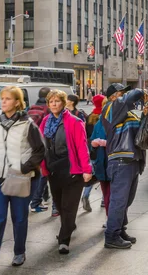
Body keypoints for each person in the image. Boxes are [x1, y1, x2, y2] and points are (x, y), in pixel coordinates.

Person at [0, 86, 45, 271]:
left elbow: (40, 150)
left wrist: (24, 167)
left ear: (17, 102)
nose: (3, 102)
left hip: (20, 178)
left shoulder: (28, 124)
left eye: (8, 99)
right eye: (2, 98)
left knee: (19, 218)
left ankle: (19, 252)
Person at [40, 90, 92, 255]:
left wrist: (87, 169)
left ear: (63, 103)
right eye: (51, 102)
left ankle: (64, 240)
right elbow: (40, 146)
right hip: (54, 170)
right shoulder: (45, 121)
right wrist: (42, 167)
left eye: (57, 101)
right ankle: (68, 226)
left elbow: (82, 147)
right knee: (61, 206)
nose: (54, 104)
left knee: (68, 207)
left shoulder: (74, 122)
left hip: (72, 170)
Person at [101, 83, 146, 249]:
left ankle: (119, 230)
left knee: (126, 200)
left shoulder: (125, 111)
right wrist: (140, 91)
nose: (124, 96)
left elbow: (139, 124)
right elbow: (134, 95)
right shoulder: (110, 108)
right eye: (121, 93)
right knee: (119, 200)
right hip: (121, 159)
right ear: (113, 97)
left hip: (132, 158)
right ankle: (111, 235)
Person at [28, 87, 52, 214]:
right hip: (43, 144)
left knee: (40, 173)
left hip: (31, 144)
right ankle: (36, 202)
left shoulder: (32, 107)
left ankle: (42, 198)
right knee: (43, 174)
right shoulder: (47, 109)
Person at [81, 94, 106, 212]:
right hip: (103, 148)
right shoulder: (105, 116)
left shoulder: (90, 116)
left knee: (92, 173)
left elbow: (86, 134)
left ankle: (85, 195)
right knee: (104, 174)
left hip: (91, 148)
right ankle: (103, 200)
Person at [88, 96, 111, 218]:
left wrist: (105, 143)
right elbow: (91, 140)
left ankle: (114, 221)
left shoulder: (118, 121)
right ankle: (110, 220)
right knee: (106, 193)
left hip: (115, 163)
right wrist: (94, 143)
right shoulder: (99, 122)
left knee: (113, 195)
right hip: (102, 163)